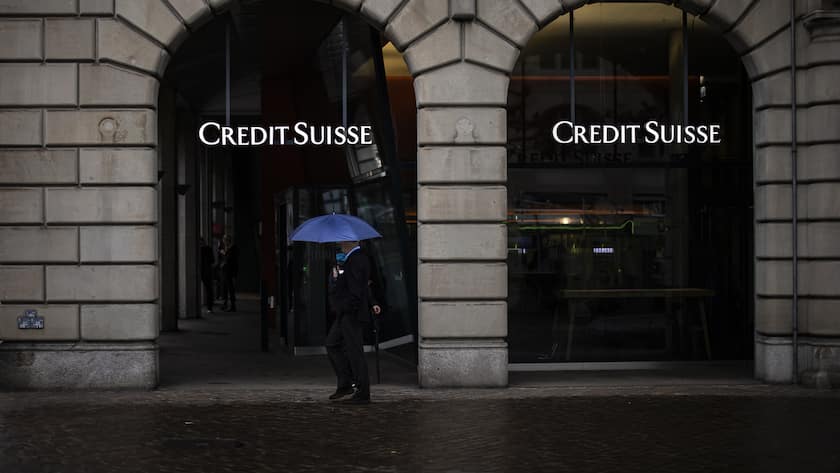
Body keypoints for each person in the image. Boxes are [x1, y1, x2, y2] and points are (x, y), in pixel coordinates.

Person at [325, 240, 374, 404]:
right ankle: (346, 383)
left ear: (352, 242)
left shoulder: (357, 259)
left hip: (351, 314)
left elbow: (356, 291)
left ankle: (362, 392)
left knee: (355, 352)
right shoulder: (349, 260)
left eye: (343, 240)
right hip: (345, 313)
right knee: (332, 344)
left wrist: (346, 308)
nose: (340, 243)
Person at [220, 234, 239, 312]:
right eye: (223, 240)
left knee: (230, 288)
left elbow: (230, 259)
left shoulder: (233, 248)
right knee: (225, 287)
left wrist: (224, 253)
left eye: (225, 240)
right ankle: (225, 304)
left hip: (230, 271)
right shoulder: (227, 248)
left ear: (228, 240)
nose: (224, 242)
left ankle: (232, 306)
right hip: (226, 271)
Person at [199, 237, 214, 313]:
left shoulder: (198, 250)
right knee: (209, 289)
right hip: (207, 271)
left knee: (208, 289)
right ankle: (209, 307)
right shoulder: (209, 249)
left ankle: (209, 307)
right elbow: (212, 260)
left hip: (201, 271)